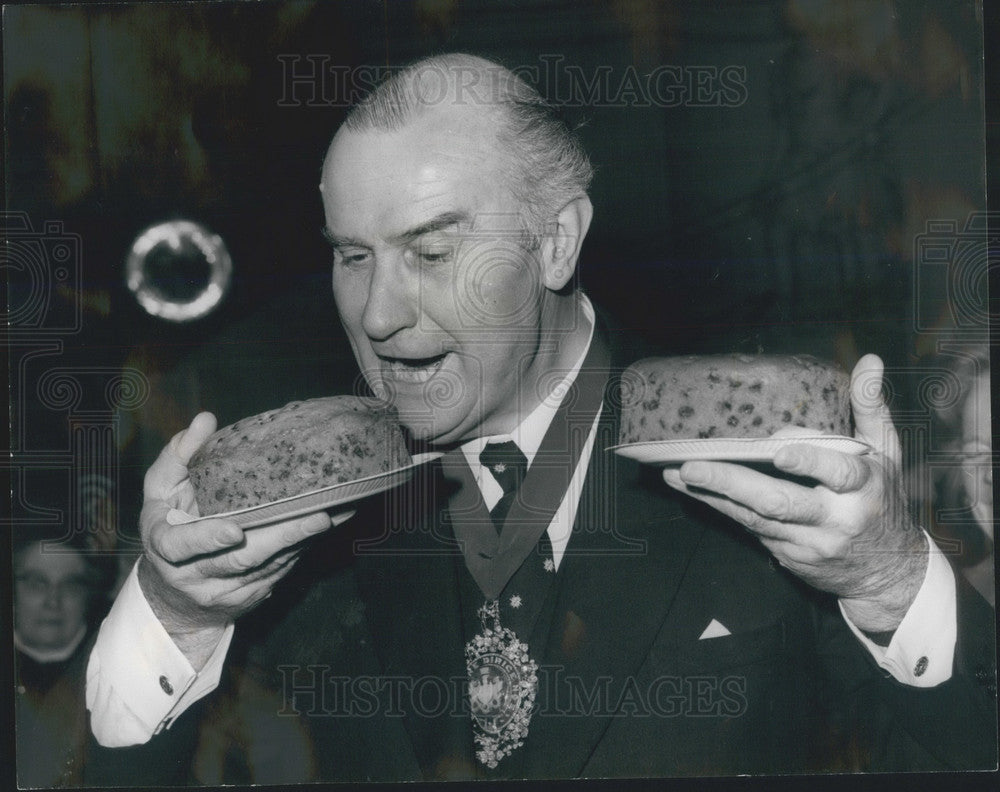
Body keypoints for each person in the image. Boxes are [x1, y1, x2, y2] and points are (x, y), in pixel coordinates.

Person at [83, 54, 996, 782]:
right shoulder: (287, 522)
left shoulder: (778, 474)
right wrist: (174, 613)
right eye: (353, 257)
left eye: (431, 252)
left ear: (556, 242)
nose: (377, 315)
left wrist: (888, 579)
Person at [14, 528, 114, 787]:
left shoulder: (113, 673)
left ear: (88, 593)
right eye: (37, 583)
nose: (53, 601)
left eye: (70, 585)